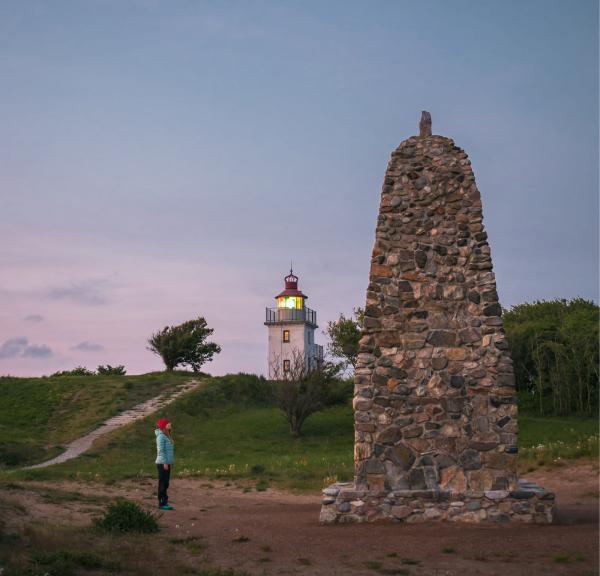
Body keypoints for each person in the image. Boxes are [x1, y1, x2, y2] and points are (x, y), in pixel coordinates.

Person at [155, 418, 174, 510]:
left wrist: (170, 462)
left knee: (166, 483)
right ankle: (161, 503)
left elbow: (169, 450)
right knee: (163, 483)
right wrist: (165, 463)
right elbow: (161, 451)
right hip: (162, 463)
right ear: (164, 426)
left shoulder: (166, 435)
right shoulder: (160, 437)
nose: (170, 424)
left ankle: (164, 502)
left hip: (166, 463)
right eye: (168, 423)